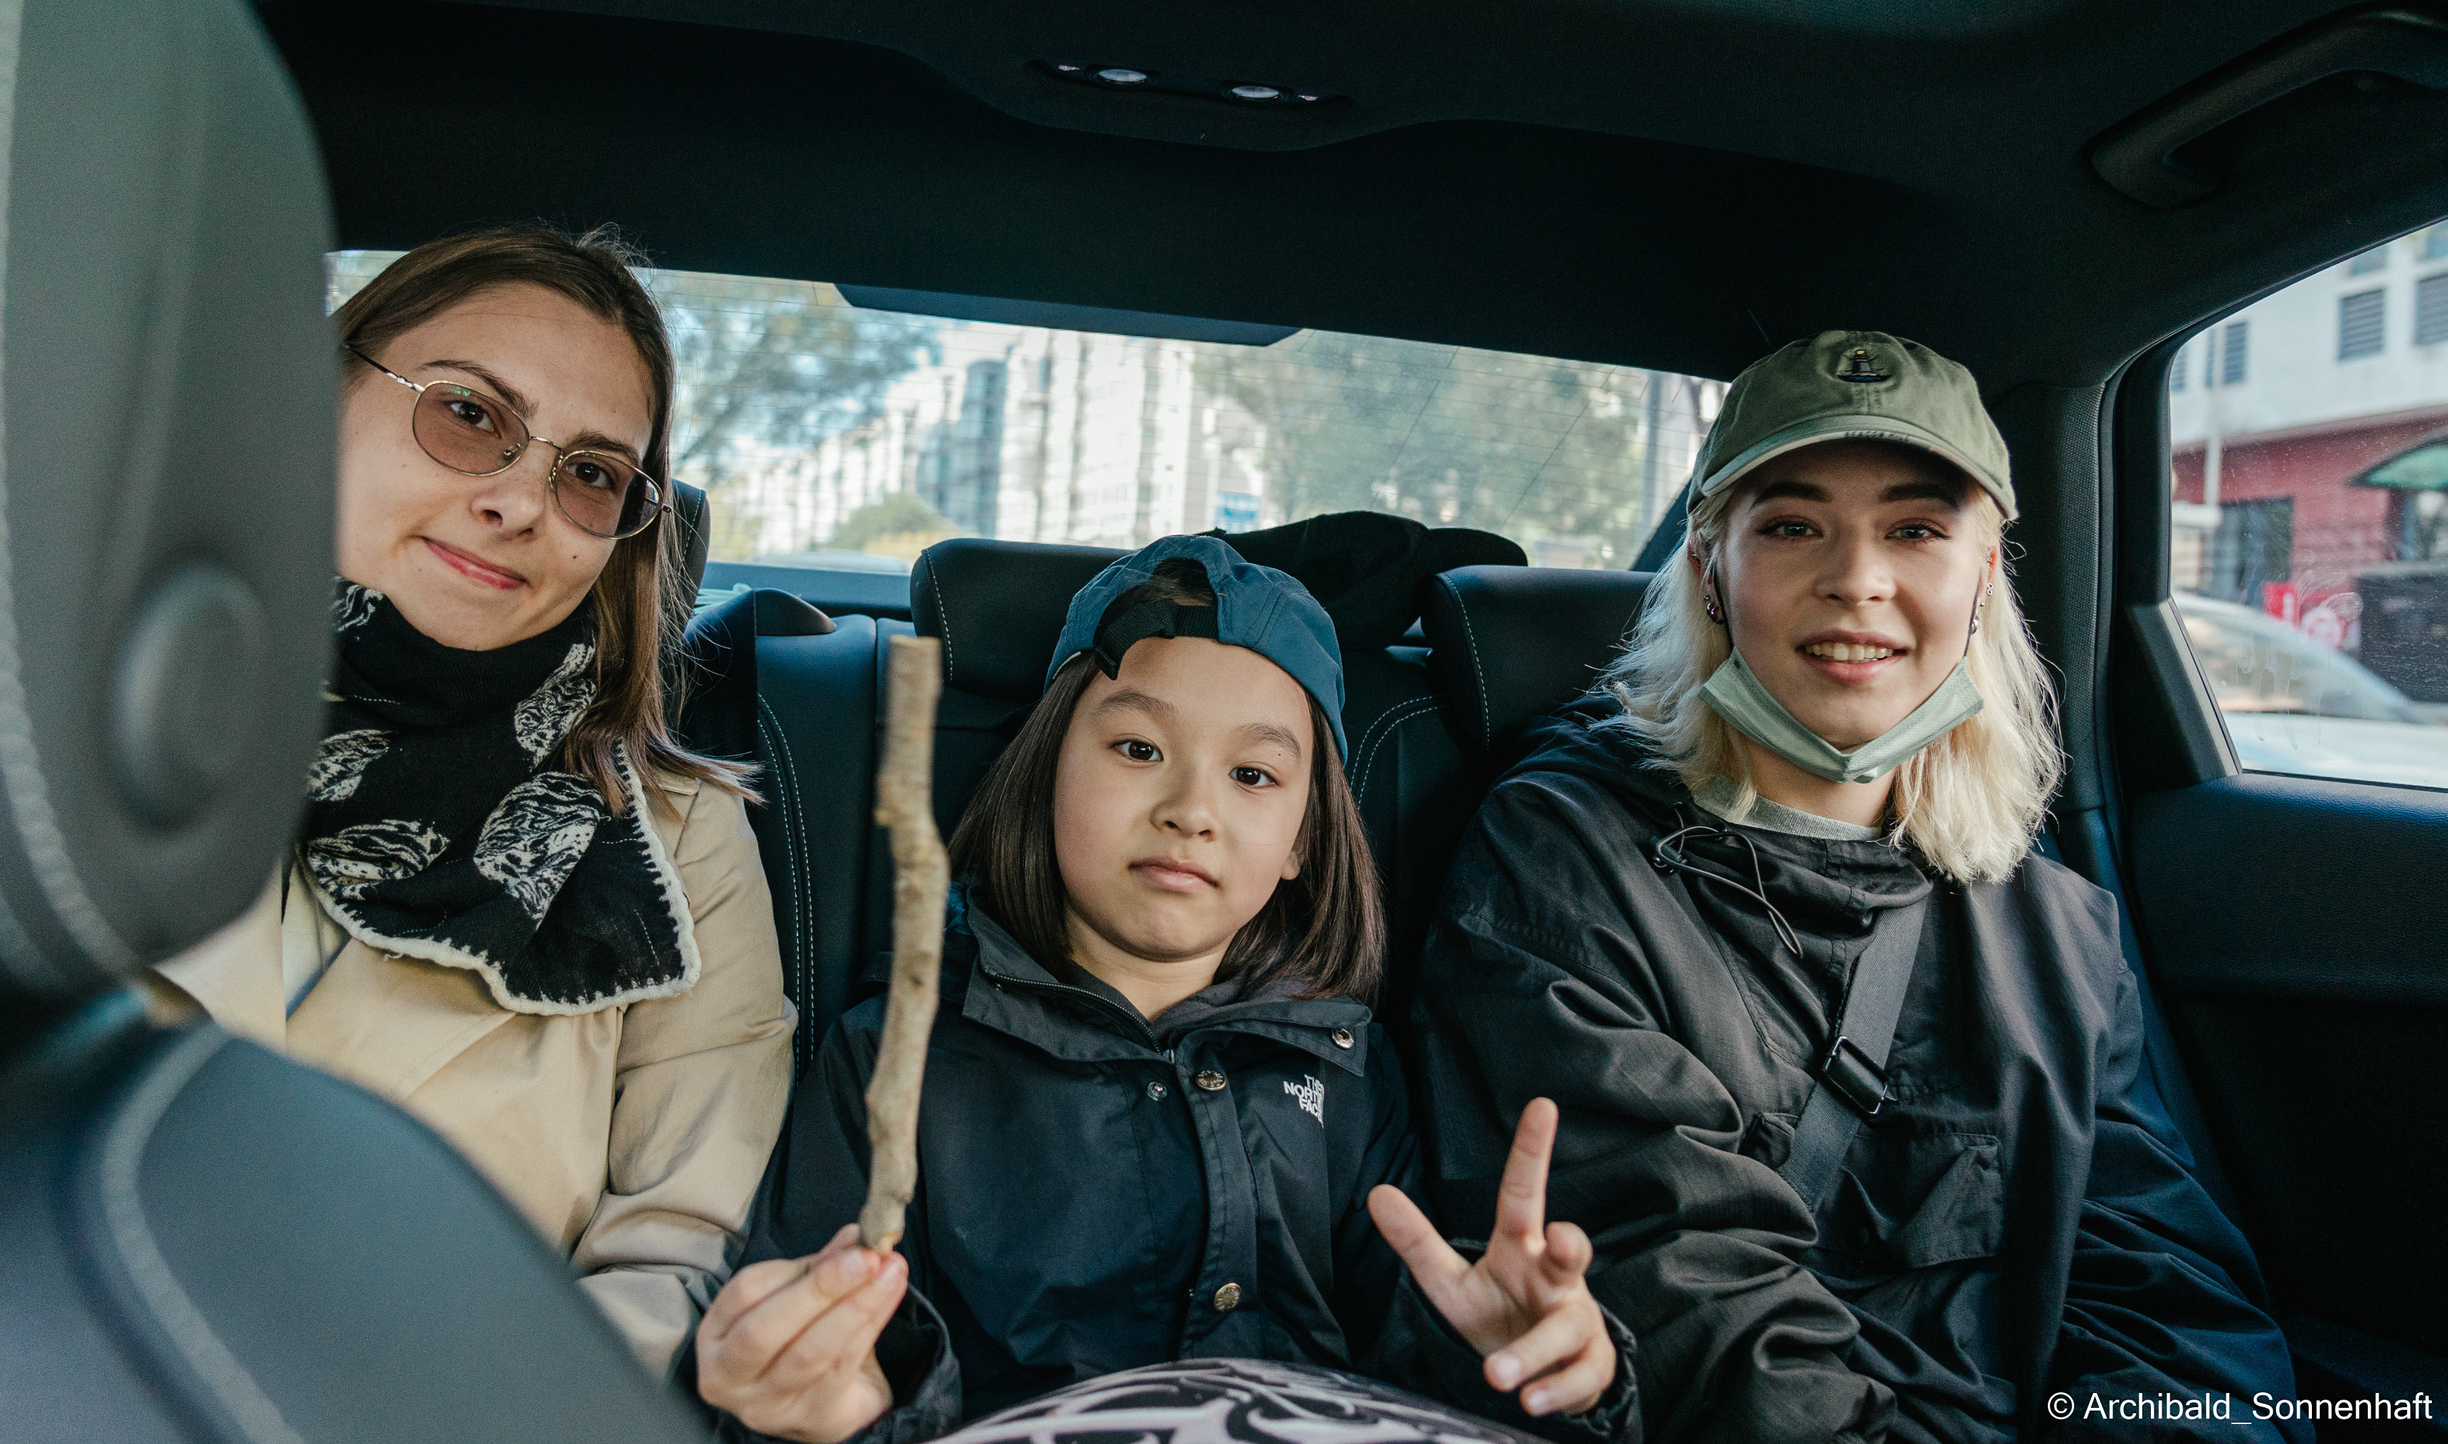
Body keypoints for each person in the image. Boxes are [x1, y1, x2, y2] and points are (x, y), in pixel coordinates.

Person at [1411, 331, 2305, 1443]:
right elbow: (1686, 1302)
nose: (1857, 580)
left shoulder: (2050, 921)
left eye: (1916, 529)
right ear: (1708, 565)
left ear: (1982, 575)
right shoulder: (1562, 857)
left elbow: (2160, 1295)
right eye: (1790, 527)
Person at [691, 537, 1631, 1443]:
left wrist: (1519, 1366)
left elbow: (1408, 1360)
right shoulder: (896, 1056)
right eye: (1139, 750)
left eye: (1253, 774)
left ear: (1304, 840)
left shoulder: (1346, 1070)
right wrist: (834, 1402)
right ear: (1044, 770)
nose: (1191, 809)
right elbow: (817, 1358)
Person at [153, 226, 795, 1374]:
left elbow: (680, 1248)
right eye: (469, 414)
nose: (521, 500)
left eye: (592, 473)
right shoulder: (55, 726)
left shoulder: (682, 836)